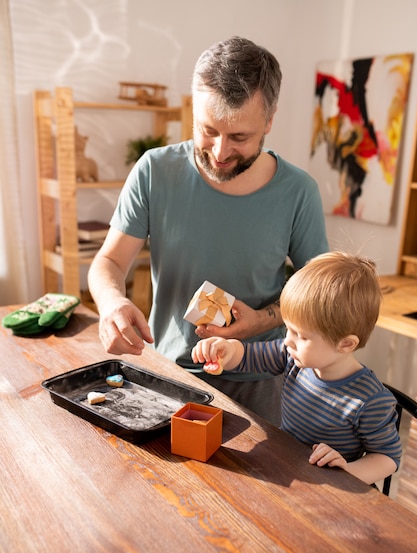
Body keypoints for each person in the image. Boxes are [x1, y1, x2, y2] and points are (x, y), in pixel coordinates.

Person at [87, 36, 329, 425]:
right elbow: (109, 261)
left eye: (239, 137)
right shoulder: (154, 171)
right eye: (208, 130)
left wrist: (262, 320)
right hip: (166, 374)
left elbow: (318, 292)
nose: (219, 152)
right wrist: (112, 302)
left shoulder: (298, 191)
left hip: (260, 380)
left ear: (269, 120)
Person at [192, 252, 402, 485]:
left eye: (301, 336)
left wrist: (346, 471)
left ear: (345, 343)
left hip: (332, 491)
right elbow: (248, 357)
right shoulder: (292, 356)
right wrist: (227, 350)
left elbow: (387, 457)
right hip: (288, 468)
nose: (288, 341)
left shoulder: (370, 400)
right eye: (288, 329)